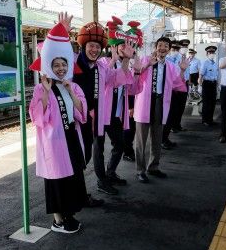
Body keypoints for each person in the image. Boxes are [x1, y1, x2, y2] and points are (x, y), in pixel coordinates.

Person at [28, 21, 88, 234]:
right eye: (56, 66)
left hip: (71, 137)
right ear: (49, 67)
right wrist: (45, 91)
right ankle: (58, 221)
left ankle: (69, 214)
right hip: (53, 142)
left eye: (64, 65)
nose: (61, 69)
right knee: (56, 180)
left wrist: (71, 91)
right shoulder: (40, 88)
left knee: (72, 179)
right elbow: (37, 117)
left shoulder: (74, 86)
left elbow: (82, 114)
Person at [74, 18, 134, 196]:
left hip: (100, 116)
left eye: (97, 47)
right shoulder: (74, 64)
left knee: (107, 148)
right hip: (79, 119)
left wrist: (125, 60)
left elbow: (115, 79)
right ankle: (89, 189)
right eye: (91, 45)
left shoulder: (100, 66)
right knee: (86, 155)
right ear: (84, 45)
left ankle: (104, 178)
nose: (94, 50)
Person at [93, 17, 142, 189]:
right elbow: (107, 80)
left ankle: (110, 172)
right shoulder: (103, 62)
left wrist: (136, 72)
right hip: (100, 113)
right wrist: (114, 61)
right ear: (113, 46)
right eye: (122, 45)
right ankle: (102, 181)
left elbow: (134, 90)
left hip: (116, 114)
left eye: (128, 45)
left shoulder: (127, 65)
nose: (125, 48)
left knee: (120, 145)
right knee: (98, 150)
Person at [132, 37, 188, 182]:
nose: (162, 48)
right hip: (144, 103)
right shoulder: (145, 59)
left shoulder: (170, 66)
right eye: (160, 45)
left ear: (169, 49)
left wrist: (182, 71)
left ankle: (153, 167)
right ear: (156, 47)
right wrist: (147, 66)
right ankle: (140, 170)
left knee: (157, 138)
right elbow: (134, 77)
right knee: (140, 140)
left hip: (161, 102)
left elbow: (178, 84)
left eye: (166, 46)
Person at [162, 40, 189, 149]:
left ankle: (165, 137)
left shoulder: (180, 59)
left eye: (177, 49)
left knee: (173, 115)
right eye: (173, 48)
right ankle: (162, 139)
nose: (175, 51)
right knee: (166, 117)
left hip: (178, 90)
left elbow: (181, 76)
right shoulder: (165, 60)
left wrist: (183, 72)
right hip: (166, 92)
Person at [198, 46, 219, 126]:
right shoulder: (205, 63)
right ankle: (205, 120)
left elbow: (216, 75)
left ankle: (210, 119)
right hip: (206, 84)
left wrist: (217, 86)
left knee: (213, 103)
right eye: (210, 53)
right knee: (206, 103)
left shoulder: (215, 64)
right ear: (207, 54)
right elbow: (201, 75)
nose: (212, 54)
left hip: (213, 84)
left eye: (213, 53)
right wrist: (200, 86)